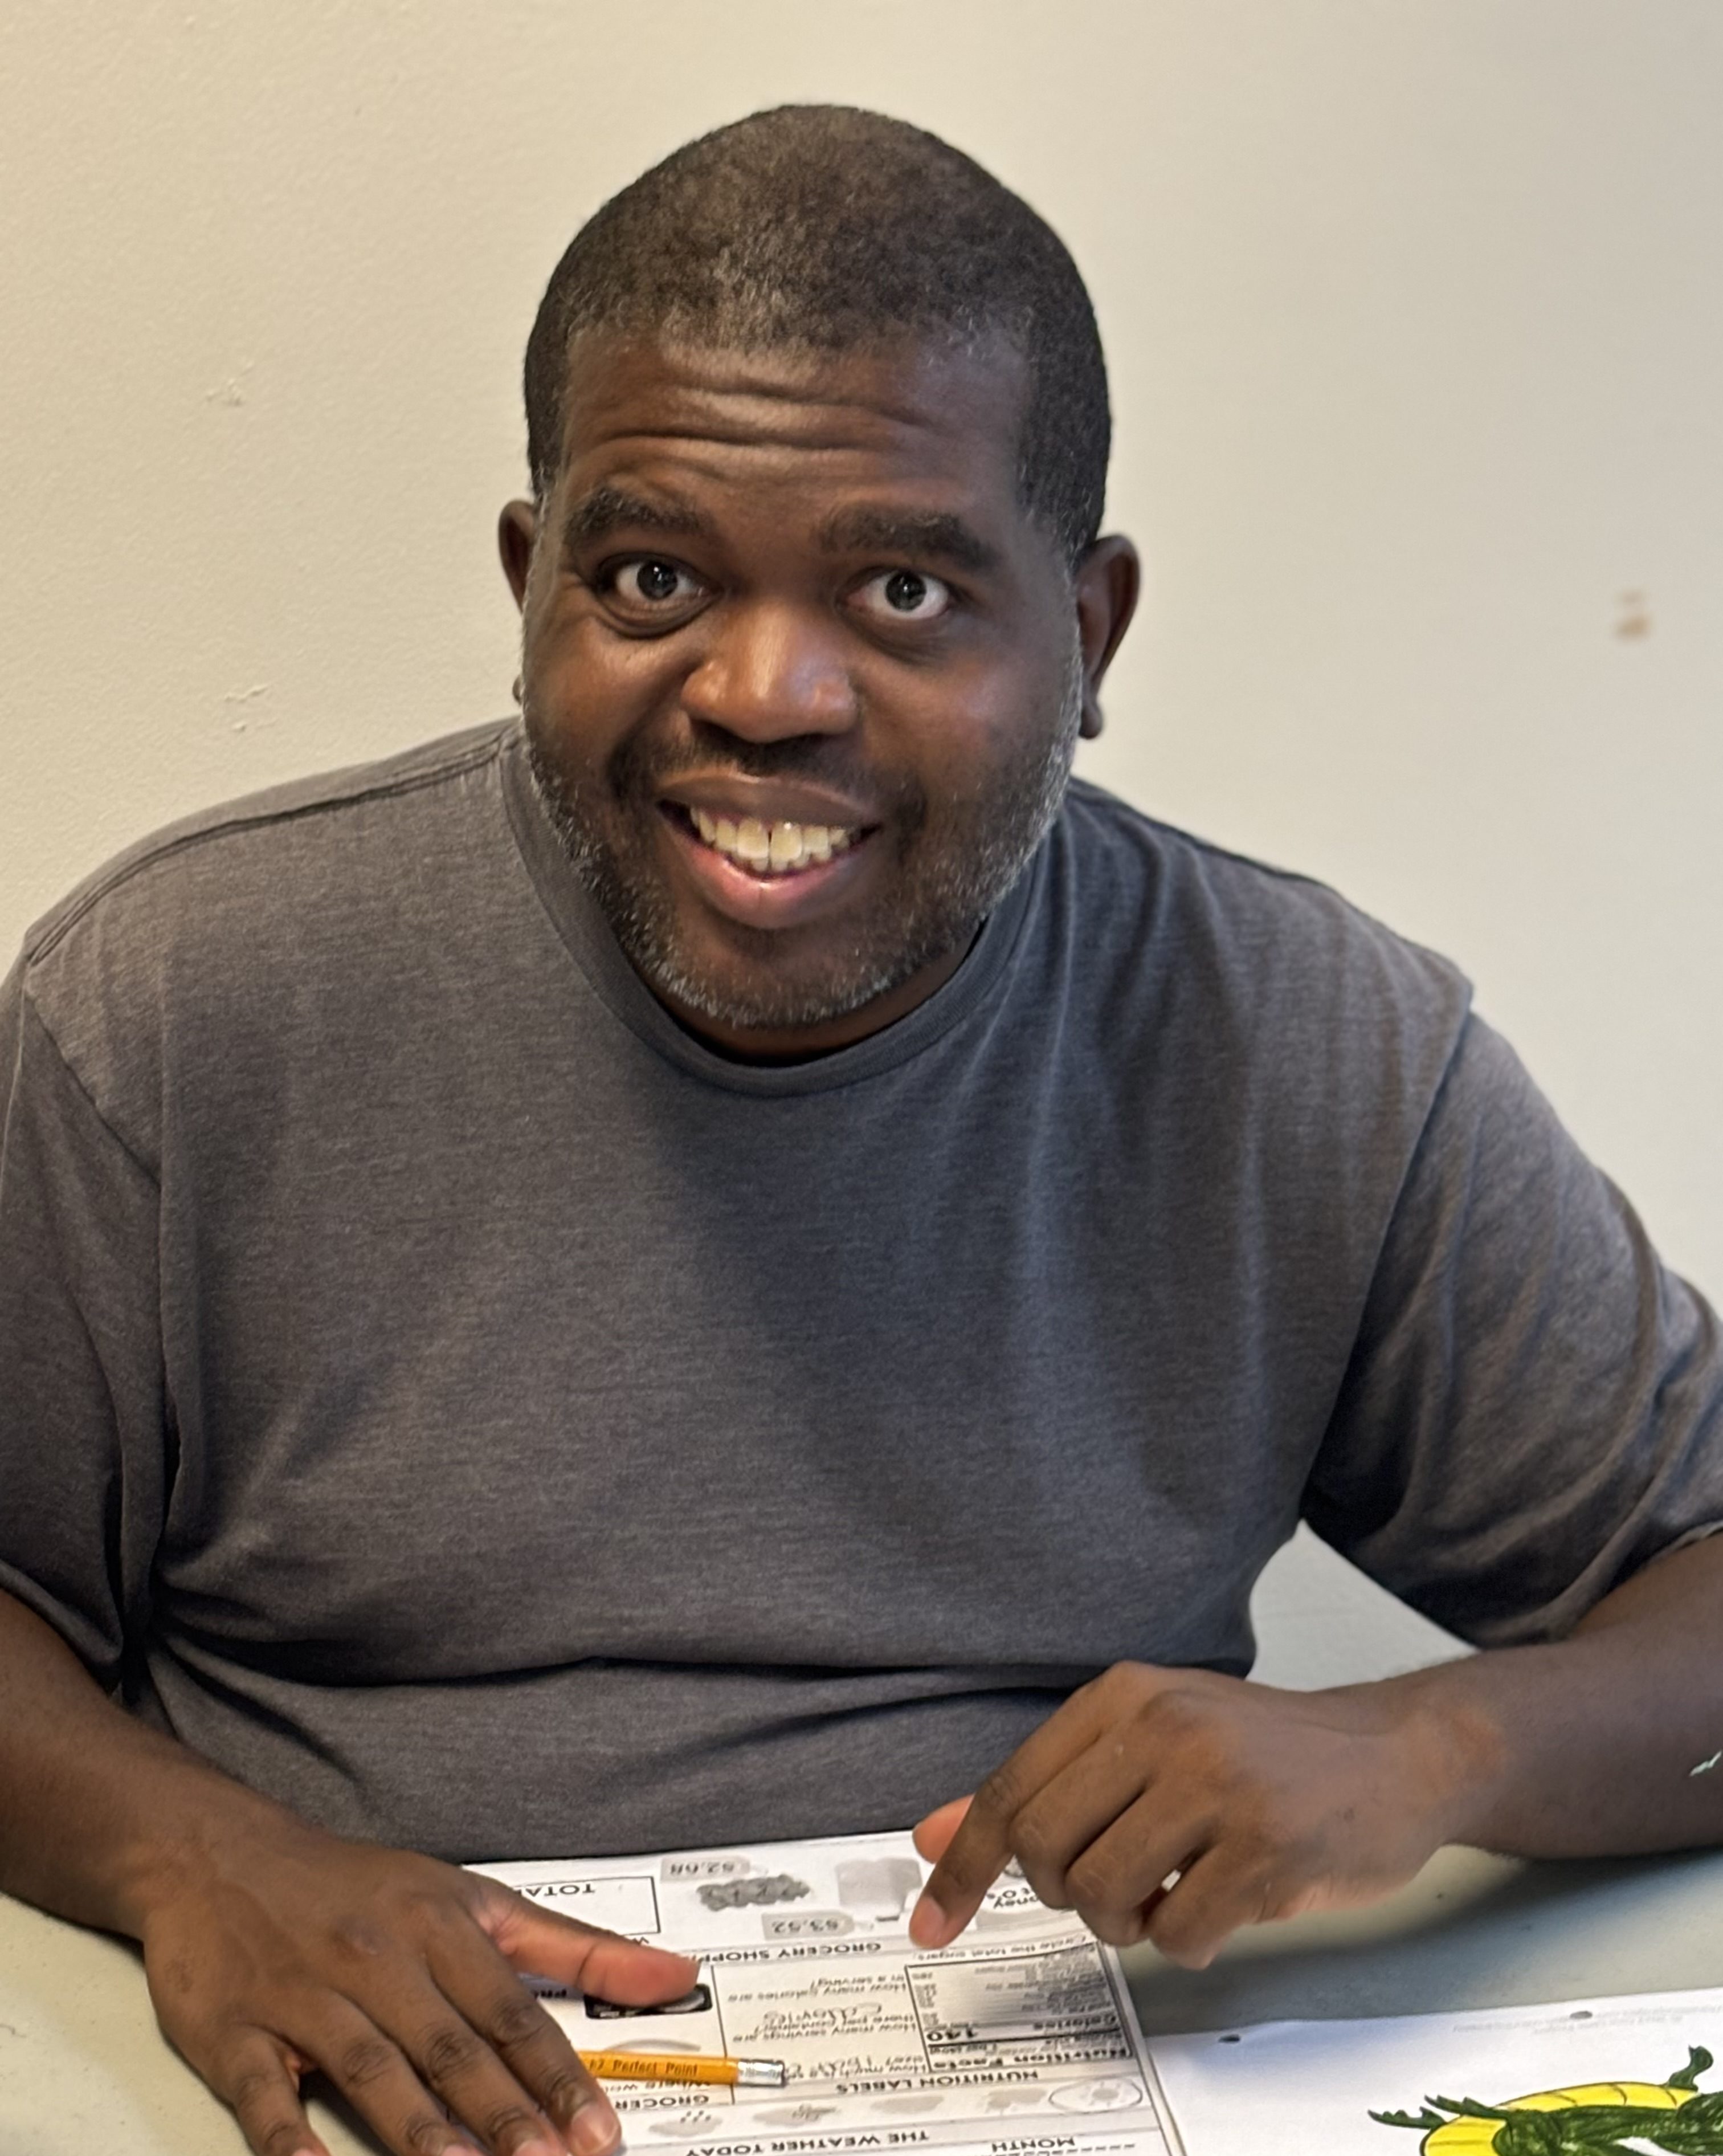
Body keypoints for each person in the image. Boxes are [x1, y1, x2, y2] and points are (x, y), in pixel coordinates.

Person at [1, 101, 1720, 2156]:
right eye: (650, 575)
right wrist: (198, 1867)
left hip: (1060, 2081)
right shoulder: (183, 1000)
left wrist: (1431, 1748)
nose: (766, 690)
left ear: (1087, 639)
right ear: (530, 578)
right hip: (335, 2089)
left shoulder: (1323, 1049)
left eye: (904, 592)